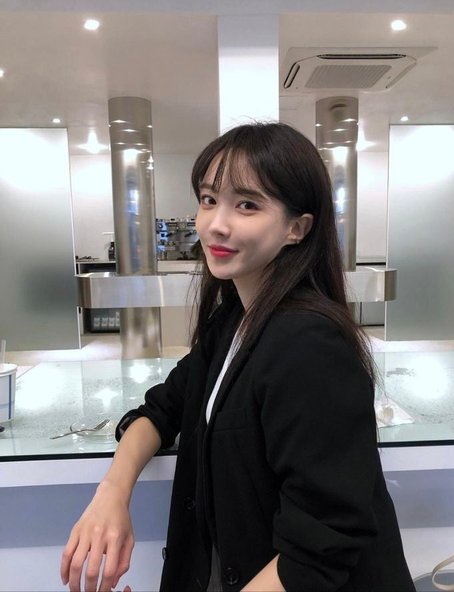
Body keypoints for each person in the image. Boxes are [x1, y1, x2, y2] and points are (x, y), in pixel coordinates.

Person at [61, 122, 415, 592]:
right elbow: (163, 408)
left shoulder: (309, 344)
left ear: (297, 228)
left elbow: (319, 546)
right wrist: (111, 494)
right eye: (209, 199)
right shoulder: (232, 321)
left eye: (247, 204)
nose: (216, 224)